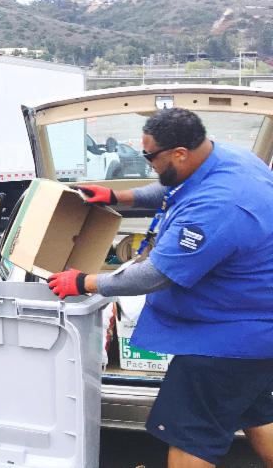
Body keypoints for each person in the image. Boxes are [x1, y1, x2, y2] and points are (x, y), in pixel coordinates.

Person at [47, 108, 273, 468]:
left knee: (189, 436)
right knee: (256, 412)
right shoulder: (226, 159)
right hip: (255, 332)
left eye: (150, 156)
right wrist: (117, 196)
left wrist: (84, 281)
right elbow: (173, 186)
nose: (147, 162)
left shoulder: (216, 208)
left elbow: (155, 275)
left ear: (180, 152)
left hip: (223, 343)